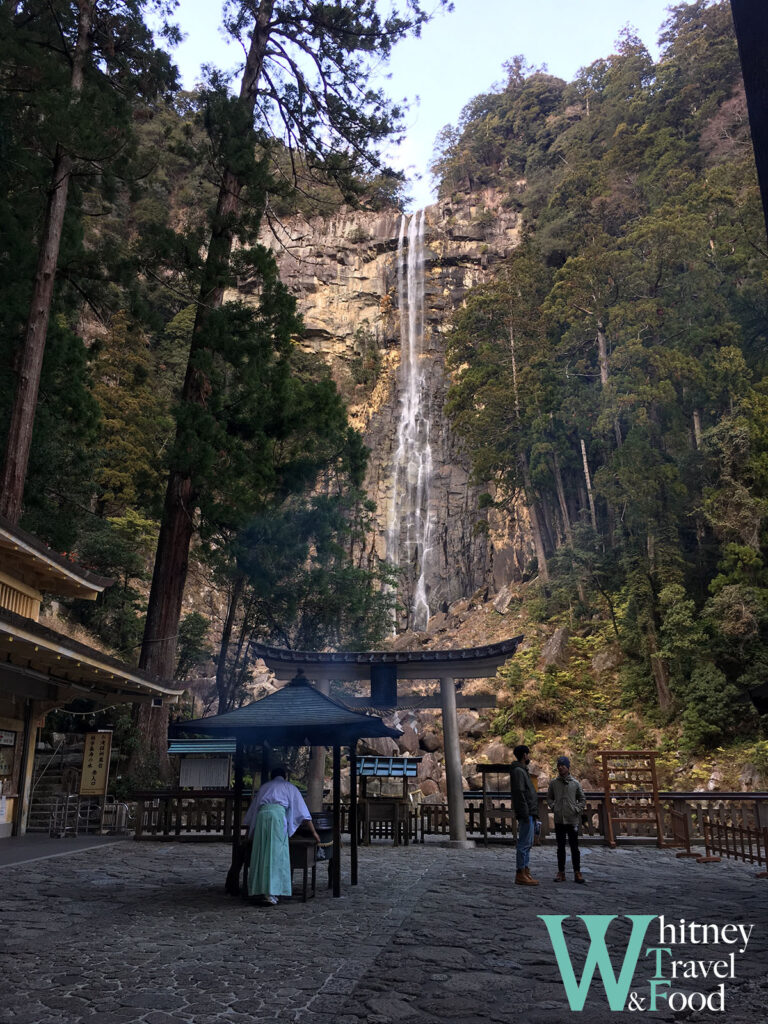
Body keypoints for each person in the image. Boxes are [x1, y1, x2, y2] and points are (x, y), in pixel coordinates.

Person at [243, 765, 321, 905]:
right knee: (275, 854)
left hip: (262, 819)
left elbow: (253, 812)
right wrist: (314, 833)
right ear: (284, 776)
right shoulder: (289, 787)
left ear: (272, 776)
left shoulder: (264, 787)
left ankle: (259, 889)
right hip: (277, 818)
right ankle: (271, 892)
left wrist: (248, 834)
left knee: (261, 853)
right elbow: (304, 813)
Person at [546, 755, 586, 884]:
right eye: (559, 765)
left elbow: (582, 799)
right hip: (559, 819)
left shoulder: (575, 783)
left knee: (575, 847)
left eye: (563, 765)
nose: (560, 767)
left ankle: (577, 872)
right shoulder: (554, 783)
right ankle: (561, 872)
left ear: (568, 767)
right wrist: (554, 807)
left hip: (572, 819)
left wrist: (576, 809)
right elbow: (549, 798)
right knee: (560, 847)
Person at [510, 744, 540, 886]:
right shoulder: (518, 771)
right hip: (526, 812)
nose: (528, 756)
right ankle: (520, 872)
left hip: (529, 812)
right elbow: (520, 793)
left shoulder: (522, 770)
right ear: (524, 755)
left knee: (528, 843)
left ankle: (525, 870)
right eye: (527, 754)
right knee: (523, 843)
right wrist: (525, 812)